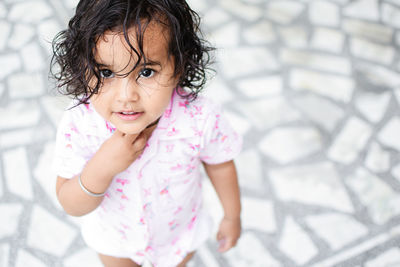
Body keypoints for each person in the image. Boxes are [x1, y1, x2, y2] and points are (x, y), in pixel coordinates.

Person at [51, 1, 242, 266]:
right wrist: (102, 167)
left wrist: (232, 216)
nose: (126, 96)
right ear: (82, 68)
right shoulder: (80, 125)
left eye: (146, 72)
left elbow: (220, 165)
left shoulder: (200, 118)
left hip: (179, 237)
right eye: (106, 72)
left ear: (179, 66)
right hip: (116, 243)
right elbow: (71, 204)